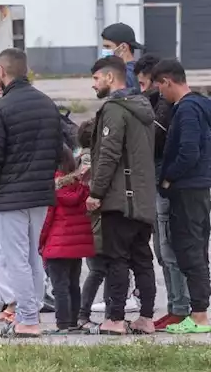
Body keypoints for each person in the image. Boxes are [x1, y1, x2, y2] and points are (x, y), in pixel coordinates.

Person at [0, 49, 61, 338]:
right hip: (40, 194)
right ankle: (32, 310)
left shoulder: (0, 109)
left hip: (10, 196)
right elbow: (57, 152)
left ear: (1, 71)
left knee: (15, 259)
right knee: (34, 256)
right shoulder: (47, 104)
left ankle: (27, 318)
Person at [86, 55, 157, 335]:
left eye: (95, 79)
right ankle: (147, 318)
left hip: (120, 200)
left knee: (116, 258)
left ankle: (115, 319)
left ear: (109, 78)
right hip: (143, 200)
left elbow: (108, 155)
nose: (93, 85)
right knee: (142, 258)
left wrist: (96, 192)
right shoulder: (143, 108)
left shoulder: (115, 110)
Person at [149, 59, 211, 333]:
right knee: (195, 250)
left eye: (159, 88)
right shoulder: (201, 104)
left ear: (167, 81)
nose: (160, 94)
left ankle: (199, 316)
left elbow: (188, 152)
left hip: (187, 189)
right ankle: (199, 312)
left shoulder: (186, 110)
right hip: (198, 188)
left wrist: (167, 177)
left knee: (190, 250)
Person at [134, 54, 187, 329]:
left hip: (164, 182)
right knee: (161, 248)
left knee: (169, 248)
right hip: (155, 181)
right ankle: (175, 305)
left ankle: (181, 306)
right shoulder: (158, 101)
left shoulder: (167, 106)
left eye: (145, 84)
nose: (142, 90)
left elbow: (159, 141)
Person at [39, 145, 95, 334]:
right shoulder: (81, 187)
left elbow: (47, 220)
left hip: (56, 245)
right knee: (73, 285)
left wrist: (41, 242)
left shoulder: (53, 187)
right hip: (76, 248)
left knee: (59, 287)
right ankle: (72, 321)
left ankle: (61, 323)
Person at [75, 119, 110, 330]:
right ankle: (84, 313)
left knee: (99, 269)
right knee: (99, 269)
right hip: (95, 222)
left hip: (87, 222)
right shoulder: (91, 159)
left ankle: (87, 313)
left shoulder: (79, 156)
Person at [100, 23, 141, 92]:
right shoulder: (136, 70)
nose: (105, 51)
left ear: (123, 47)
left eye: (108, 47)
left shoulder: (125, 75)